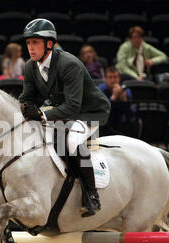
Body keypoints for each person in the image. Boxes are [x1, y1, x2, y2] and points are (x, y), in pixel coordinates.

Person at [19, 18, 111, 217]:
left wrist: (41, 114)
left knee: (72, 141)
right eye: (28, 43)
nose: (31, 48)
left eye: (35, 42)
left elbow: (72, 106)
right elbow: (26, 97)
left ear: (49, 44)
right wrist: (23, 109)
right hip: (61, 110)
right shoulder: (30, 66)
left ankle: (92, 195)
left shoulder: (69, 64)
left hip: (88, 111)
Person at [97, 66, 137, 137]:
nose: (113, 80)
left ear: (119, 79)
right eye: (110, 77)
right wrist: (113, 97)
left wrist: (124, 100)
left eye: (115, 77)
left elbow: (131, 113)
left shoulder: (126, 90)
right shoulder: (100, 90)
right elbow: (101, 111)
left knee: (133, 122)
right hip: (105, 122)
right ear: (105, 79)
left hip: (121, 121)